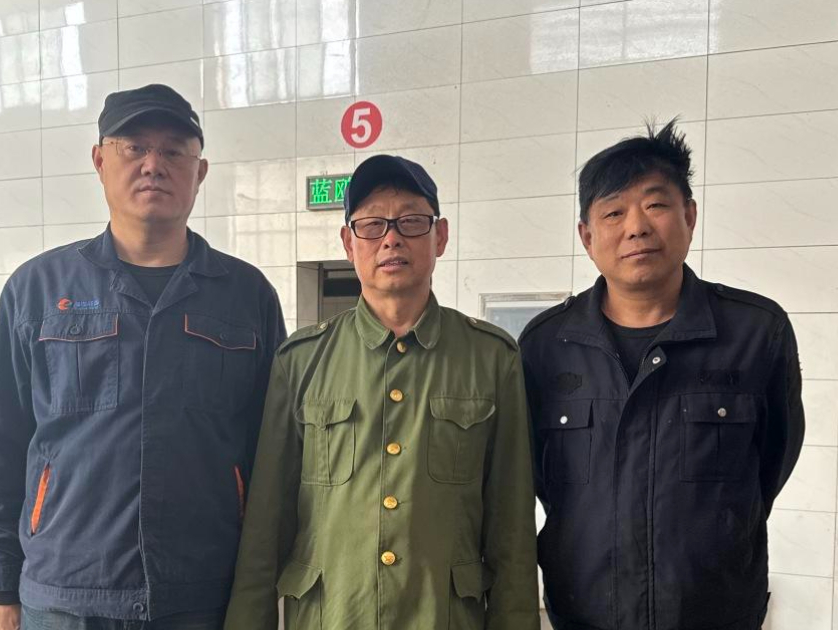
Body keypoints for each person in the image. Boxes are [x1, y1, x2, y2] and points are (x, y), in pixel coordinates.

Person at [0, 84, 286, 630]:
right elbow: (4, 442)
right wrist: (0, 584)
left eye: (174, 151)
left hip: (204, 593)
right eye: (134, 148)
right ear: (99, 161)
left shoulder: (245, 295)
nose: (153, 165)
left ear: (200, 172)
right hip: (65, 595)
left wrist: (261, 585)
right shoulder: (38, 289)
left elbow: (271, 450)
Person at [223, 155, 541, 630]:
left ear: (441, 236)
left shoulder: (492, 359)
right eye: (372, 225)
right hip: (330, 617)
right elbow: (265, 529)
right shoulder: (301, 361)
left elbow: (511, 532)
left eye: (411, 221)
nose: (391, 239)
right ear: (348, 243)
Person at [519, 120, 804, 629]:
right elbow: (537, 479)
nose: (636, 227)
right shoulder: (546, 344)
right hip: (585, 613)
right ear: (587, 237)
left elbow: (771, 464)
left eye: (655, 204)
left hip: (715, 614)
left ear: (689, 216)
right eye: (613, 212)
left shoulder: (755, 332)